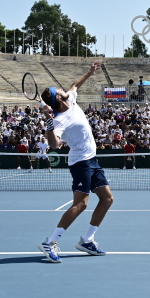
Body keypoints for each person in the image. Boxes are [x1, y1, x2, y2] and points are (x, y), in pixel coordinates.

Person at [38, 61, 112, 263]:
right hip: (81, 163)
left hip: (92, 159)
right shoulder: (59, 119)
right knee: (81, 204)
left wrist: (89, 72)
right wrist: (48, 121)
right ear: (57, 98)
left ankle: (87, 239)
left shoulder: (70, 98)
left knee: (107, 199)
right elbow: (54, 145)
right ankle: (50, 241)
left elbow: (74, 85)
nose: (62, 89)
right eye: (58, 90)